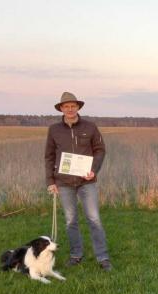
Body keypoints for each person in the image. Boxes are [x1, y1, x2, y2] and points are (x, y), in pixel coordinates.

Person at [45, 92, 112, 271]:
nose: (70, 109)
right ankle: (76, 255)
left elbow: (100, 150)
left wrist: (94, 170)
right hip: (64, 183)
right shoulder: (54, 130)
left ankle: (103, 257)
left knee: (94, 219)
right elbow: (49, 157)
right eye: (66, 106)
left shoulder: (90, 127)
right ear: (61, 109)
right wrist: (50, 181)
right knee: (70, 220)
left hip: (86, 182)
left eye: (73, 106)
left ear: (78, 107)